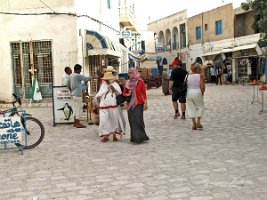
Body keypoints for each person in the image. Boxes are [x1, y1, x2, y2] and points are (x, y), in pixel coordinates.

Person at [94, 72, 126, 142]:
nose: (106, 80)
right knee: (103, 120)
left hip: (113, 104)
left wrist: (113, 89)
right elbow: (99, 94)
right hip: (103, 105)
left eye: (107, 79)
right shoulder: (103, 85)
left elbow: (119, 94)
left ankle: (115, 135)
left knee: (114, 120)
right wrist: (97, 102)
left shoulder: (115, 84)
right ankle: (105, 135)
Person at [123, 68, 149, 144]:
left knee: (138, 120)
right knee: (132, 121)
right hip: (130, 104)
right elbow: (124, 93)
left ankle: (141, 136)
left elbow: (144, 93)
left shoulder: (140, 82)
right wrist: (127, 94)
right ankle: (135, 137)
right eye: (128, 73)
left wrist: (146, 103)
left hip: (139, 103)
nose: (129, 74)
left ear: (134, 73)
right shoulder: (127, 82)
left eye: (131, 73)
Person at [67, 64, 91, 128]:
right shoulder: (77, 75)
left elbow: (67, 85)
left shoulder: (70, 75)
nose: (80, 71)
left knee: (75, 109)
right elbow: (86, 78)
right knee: (79, 109)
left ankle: (75, 123)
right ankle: (78, 123)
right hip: (78, 95)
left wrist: (71, 91)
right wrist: (93, 77)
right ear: (77, 69)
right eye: (80, 70)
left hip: (73, 94)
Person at [186, 63, 205, 130]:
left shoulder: (187, 76)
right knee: (200, 107)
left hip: (188, 93)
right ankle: (198, 122)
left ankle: (193, 123)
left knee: (191, 108)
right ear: (198, 69)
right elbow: (202, 86)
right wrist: (202, 93)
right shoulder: (200, 76)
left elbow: (185, 85)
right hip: (197, 92)